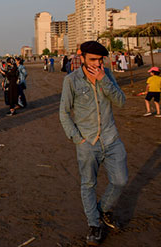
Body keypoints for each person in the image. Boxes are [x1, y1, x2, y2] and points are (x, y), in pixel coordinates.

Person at [59, 41, 128, 246]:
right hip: (87, 142)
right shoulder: (71, 80)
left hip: (111, 138)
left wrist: (103, 79)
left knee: (120, 180)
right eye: (92, 59)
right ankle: (94, 224)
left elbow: (121, 101)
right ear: (82, 58)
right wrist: (77, 138)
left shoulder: (106, 74)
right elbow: (64, 112)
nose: (97, 64)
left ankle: (103, 209)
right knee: (88, 184)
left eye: (100, 60)